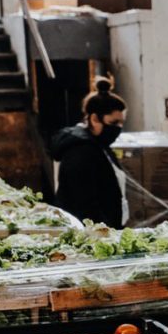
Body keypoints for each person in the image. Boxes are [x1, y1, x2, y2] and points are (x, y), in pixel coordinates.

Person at [50, 77, 129, 228]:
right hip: (91, 233)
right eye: (113, 123)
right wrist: (104, 232)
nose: (118, 128)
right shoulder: (80, 151)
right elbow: (83, 203)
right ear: (94, 119)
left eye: (121, 123)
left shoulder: (100, 145)